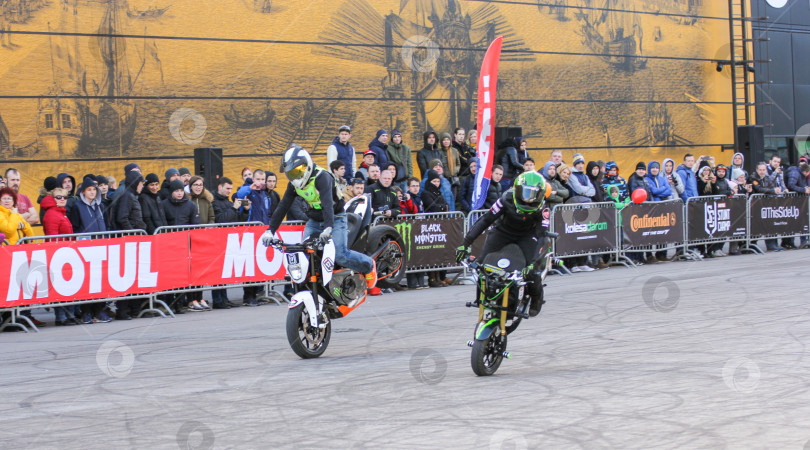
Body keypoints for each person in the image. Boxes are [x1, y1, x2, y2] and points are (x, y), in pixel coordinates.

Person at [263, 145, 377, 291]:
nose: (296, 176)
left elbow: (327, 204)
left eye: (298, 170)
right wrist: (270, 230)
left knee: (340, 254)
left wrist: (328, 227)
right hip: (315, 220)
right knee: (305, 253)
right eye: (291, 173)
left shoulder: (321, 177)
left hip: (335, 218)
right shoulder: (294, 185)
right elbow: (282, 207)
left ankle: (368, 265)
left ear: (307, 165)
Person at [456, 172, 551, 317]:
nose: (528, 199)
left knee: (532, 271)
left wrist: (535, 263)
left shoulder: (543, 208)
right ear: (518, 190)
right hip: (503, 231)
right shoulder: (506, 198)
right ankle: (483, 297)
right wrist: (465, 243)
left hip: (527, 235)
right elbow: (486, 219)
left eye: (533, 195)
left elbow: (543, 237)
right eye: (526, 193)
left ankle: (537, 298)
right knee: (481, 264)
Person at [210, 177, 246, 309]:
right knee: (217, 270)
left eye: (231, 189)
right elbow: (221, 219)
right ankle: (218, 300)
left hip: (227, 239)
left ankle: (224, 298)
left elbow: (236, 220)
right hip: (217, 239)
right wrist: (233, 208)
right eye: (227, 188)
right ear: (220, 187)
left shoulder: (227, 201)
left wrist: (244, 210)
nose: (229, 191)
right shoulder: (213, 201)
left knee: (224, 270)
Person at [751, 162, 784, 252]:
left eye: (764, 170)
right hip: (756, 206)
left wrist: (776, 190)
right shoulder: (753, 178)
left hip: (767, 205)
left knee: (771, 225)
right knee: (757, 227)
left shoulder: (766, 177)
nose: (762, 172)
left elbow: (770, 186)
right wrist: (773, 191)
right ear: (757, 170)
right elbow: (760, 189)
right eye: (760, 170)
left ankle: (773, 244)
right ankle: (752, 244)